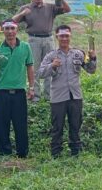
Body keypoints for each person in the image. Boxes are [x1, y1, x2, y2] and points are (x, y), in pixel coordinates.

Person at [37, 25, 97, 158]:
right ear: (57, 37)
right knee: (57, 126)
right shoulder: (51, 55)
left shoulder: (79, 54)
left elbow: (91, 70)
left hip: (75, 96)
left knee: (75, 125)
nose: (64, 38)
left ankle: (75, 152)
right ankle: (56, 153)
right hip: (58, 97)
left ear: (70, 36)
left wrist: (93, 58)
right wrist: (52, 66)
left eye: (67, 36)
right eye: (61, 36)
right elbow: (41, 73)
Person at [12, 0, 71, 101]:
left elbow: (68, 9)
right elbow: (12, 21)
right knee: (34, 66)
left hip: (49, 39)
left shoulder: (50, 7)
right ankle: (36, 96)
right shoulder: (26, 8)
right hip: (33, 40)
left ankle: (49, 96)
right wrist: (22, 14)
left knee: (51, 65)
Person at [0, 20, 35, 158]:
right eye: (7, 28)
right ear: (3, 30)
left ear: (17, 30)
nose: (9, 31)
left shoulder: (25, 47)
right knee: (2, 124)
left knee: (20, 124)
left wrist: (31, 87)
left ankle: (22, 153)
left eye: (12, 28)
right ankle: (4, 152)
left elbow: (30, 67)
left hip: (20, 91)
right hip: (2, 91)